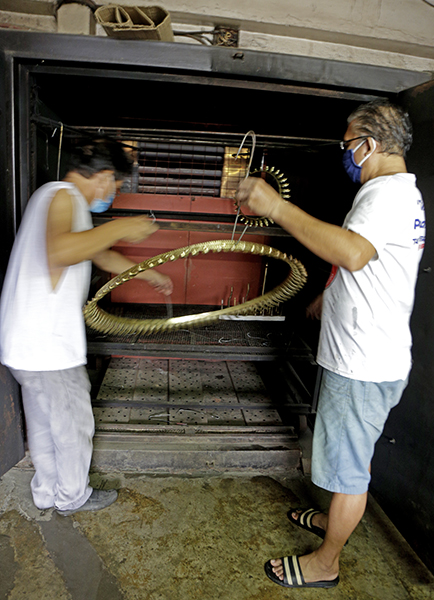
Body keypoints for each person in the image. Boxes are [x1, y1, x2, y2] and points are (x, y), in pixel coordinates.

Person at [236, 99, 425, 589]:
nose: (345, 152)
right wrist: (328, 297)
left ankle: (327, 562)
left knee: (351, 471)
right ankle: (332, 521)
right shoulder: (396, 193)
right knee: (351, 458)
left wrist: (276, 207)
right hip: (369, 355)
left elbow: (353, 252)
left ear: (370, 144)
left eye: (348, 144)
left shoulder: (386, 194)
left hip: (363, 363)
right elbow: (367, 261)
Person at [0, 141, 173, 517]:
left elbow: (97, 253)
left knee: (45, 423)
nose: (115, 193)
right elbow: (62, 251)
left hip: (26, 344)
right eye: (117, 185)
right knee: (73, 425)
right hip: (48, 346)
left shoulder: (51, 199)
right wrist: (124, 227)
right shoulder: (64, 197)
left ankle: (47, 492)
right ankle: (72, 496)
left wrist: (149, 273)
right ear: (105, 178)